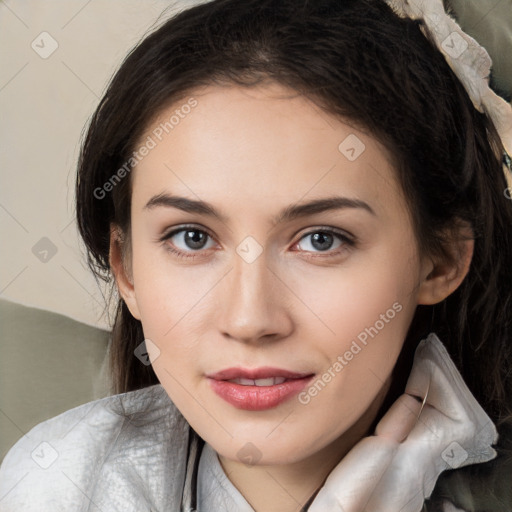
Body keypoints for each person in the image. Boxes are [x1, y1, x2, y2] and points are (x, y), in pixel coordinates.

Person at [1, 0, 511, 510]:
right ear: (126, 268)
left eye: (321, 239)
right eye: (192, 238)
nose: (249, 320)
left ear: (441, 259)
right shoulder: (56, 484)